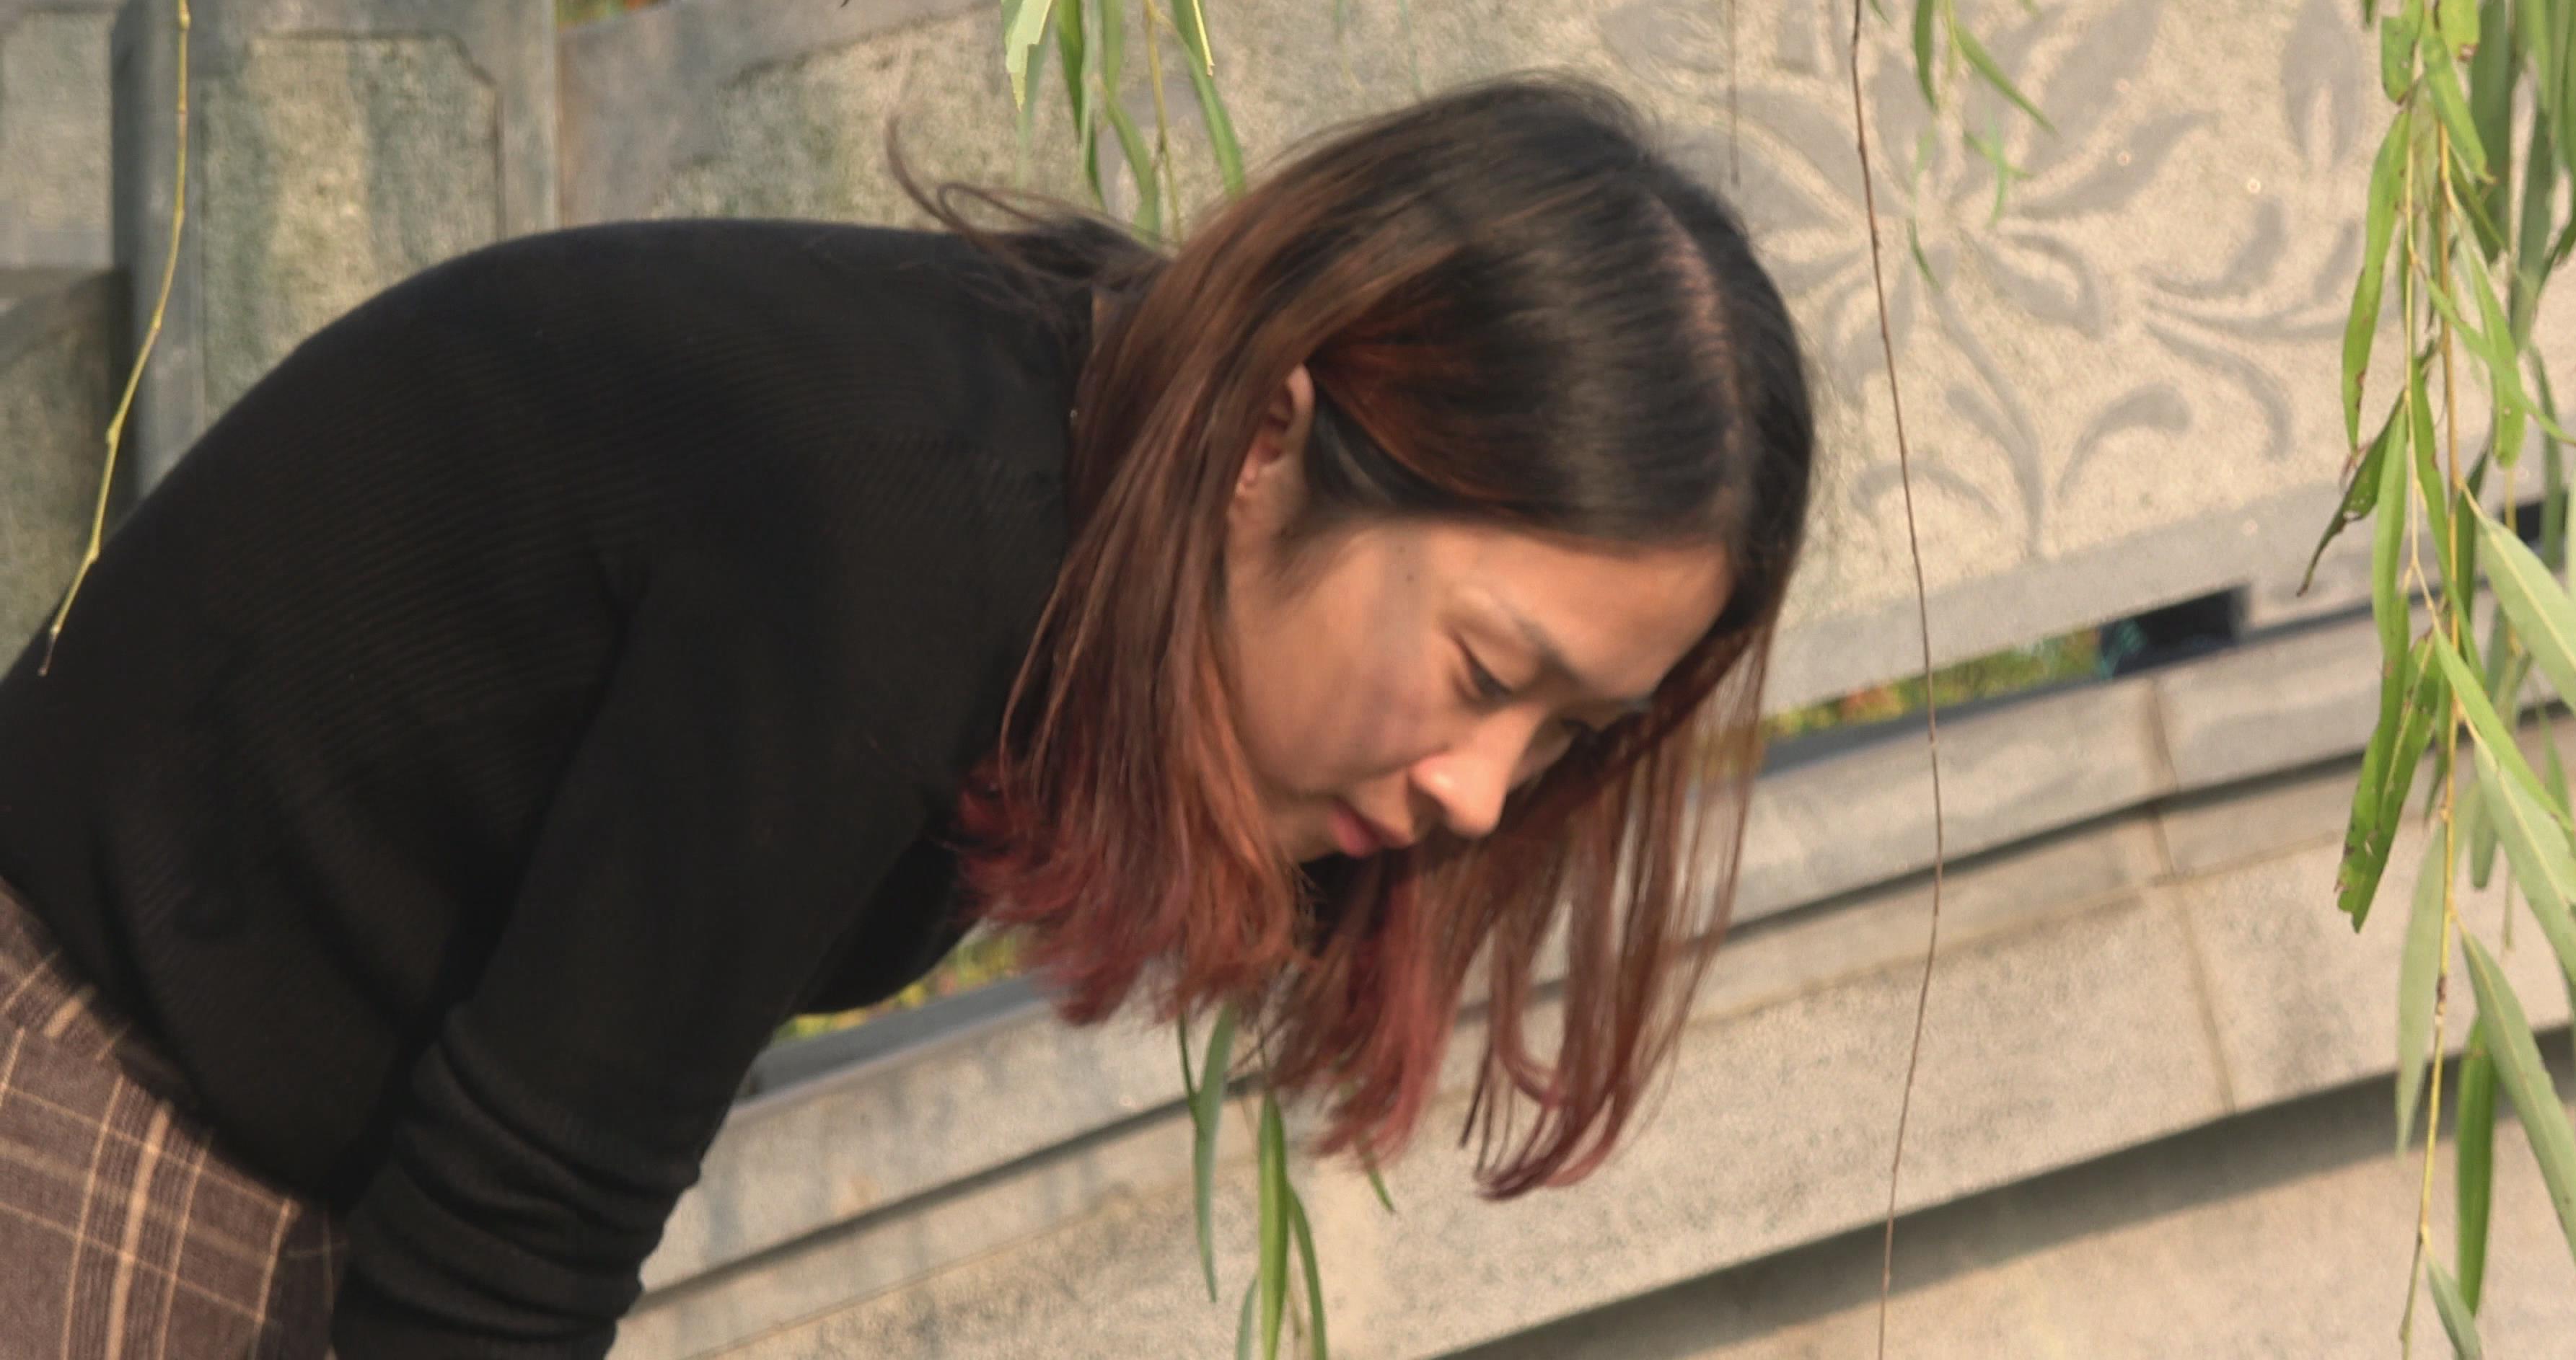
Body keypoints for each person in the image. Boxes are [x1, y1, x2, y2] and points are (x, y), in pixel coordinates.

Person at [0, 74, 1813, 1358]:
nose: (1485, 793)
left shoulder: (1071, 473)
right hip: (94, 1100)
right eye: (1488, 675)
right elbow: (519, 1225)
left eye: (1571, 730)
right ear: (1273, 437)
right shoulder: (909, 519)